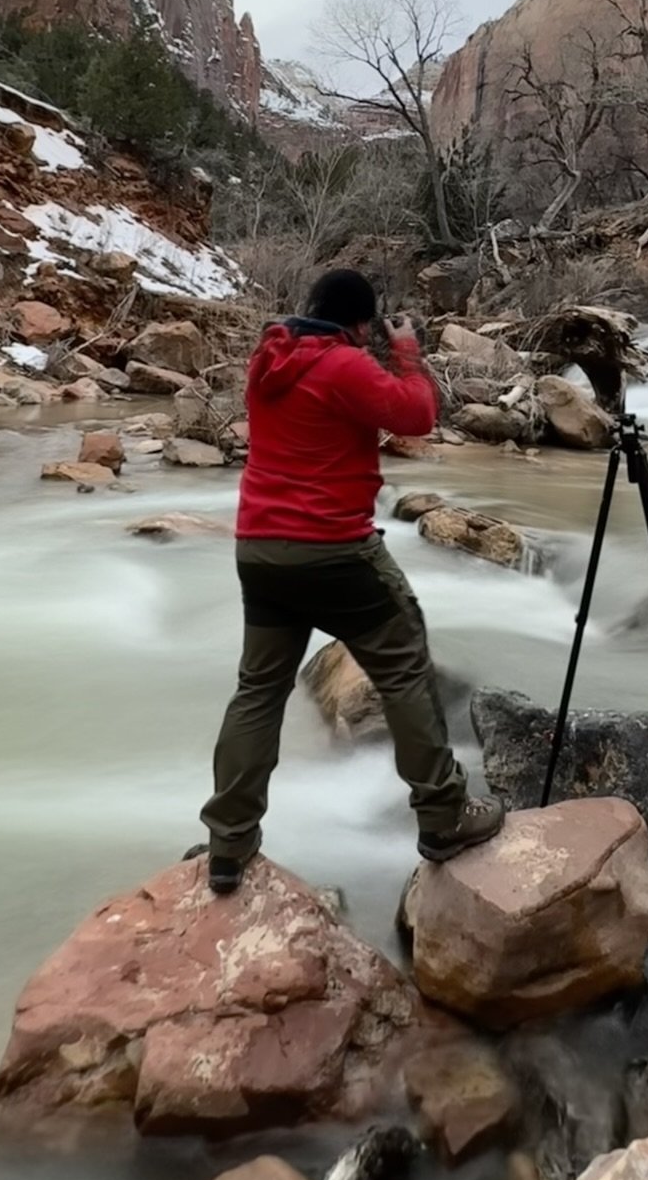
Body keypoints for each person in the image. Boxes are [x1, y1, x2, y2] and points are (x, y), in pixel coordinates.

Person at [195, 267, 504, 894]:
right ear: (359, 324)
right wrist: (407, 349)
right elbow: (416, 414)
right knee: (405, 671)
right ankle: (443, 817)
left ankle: (228, 844)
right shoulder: (345, 365)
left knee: (258, 693)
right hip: (334, 550)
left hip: (260, 548)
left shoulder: (268, 358)